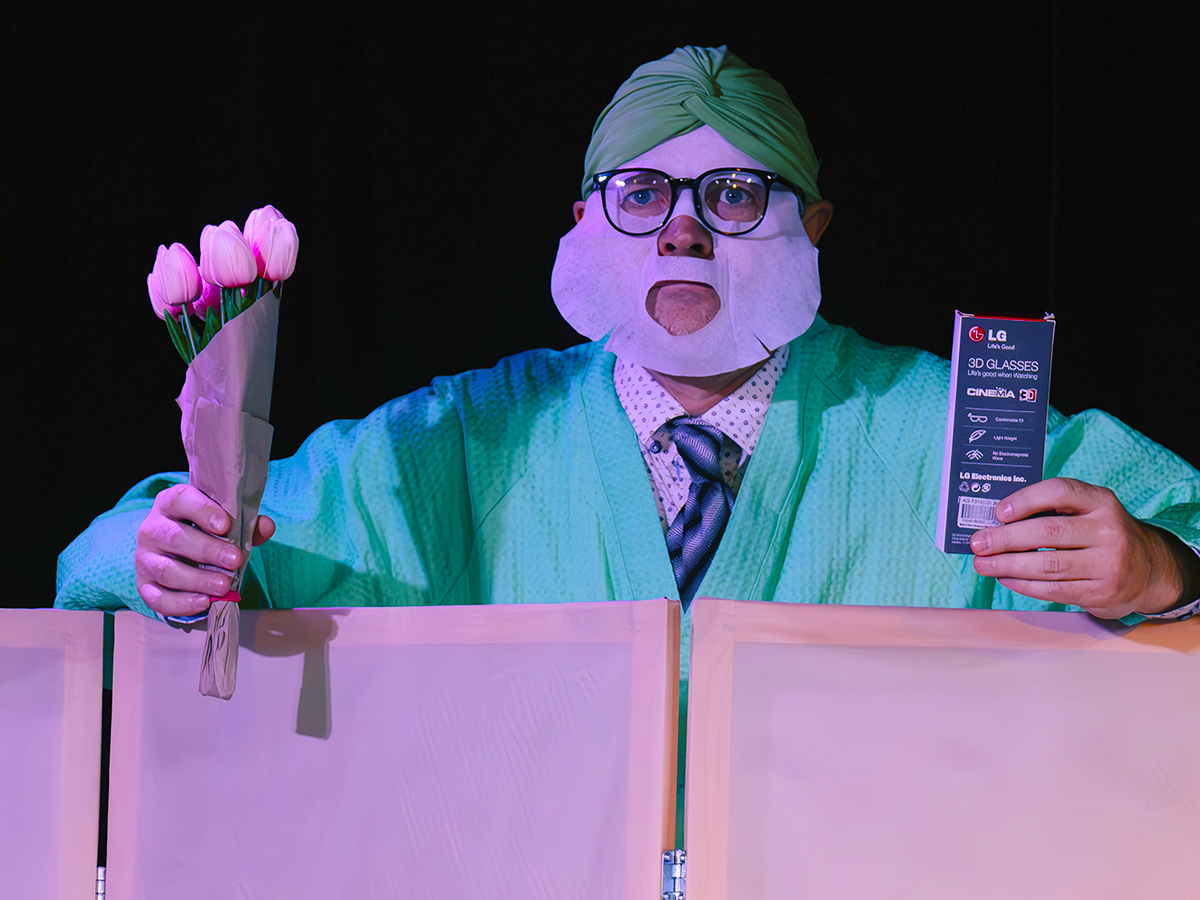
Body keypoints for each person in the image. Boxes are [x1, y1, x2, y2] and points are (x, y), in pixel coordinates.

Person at [57, 46, 1200, 628]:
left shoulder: (943, 431)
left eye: (735, 195)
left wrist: (1160, 574)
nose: (684, 233)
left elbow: (1179, 530)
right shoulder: (464, 442)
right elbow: (134, 551)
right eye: (643, 196)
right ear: (584, 225)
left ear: (813, 226)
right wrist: (171, 560)